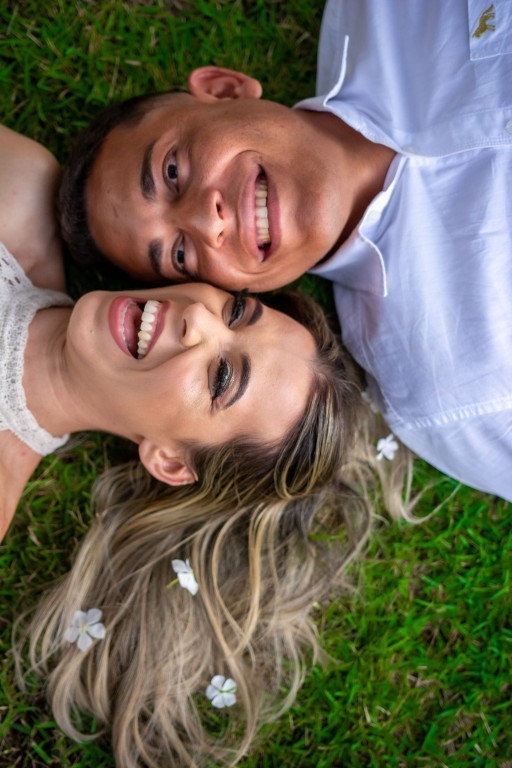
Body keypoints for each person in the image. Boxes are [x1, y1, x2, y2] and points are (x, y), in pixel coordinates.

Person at [2, 126, 387, 766]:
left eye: (222, 378)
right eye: (236, 314)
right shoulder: (18, 190)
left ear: (170, 460)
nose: (198, 319)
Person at [58, 0, 512, 502]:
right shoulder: (450, 393)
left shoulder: (389, 11)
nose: (209, 221)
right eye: (180, 255)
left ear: (223, 90)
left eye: (172, 172)